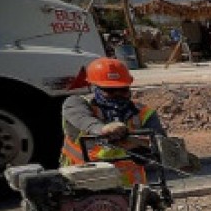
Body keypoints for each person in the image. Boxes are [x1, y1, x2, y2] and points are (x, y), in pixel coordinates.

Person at [61, 57, 166, 186]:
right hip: (83, 181)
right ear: (95, 88)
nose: (118, 94)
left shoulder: (143, 112)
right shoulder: (76, 103)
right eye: (110, 90)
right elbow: (83, 120)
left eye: (123, 90)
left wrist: (136, 144)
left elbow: (160, 143)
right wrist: (103, 130)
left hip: (128, 186)